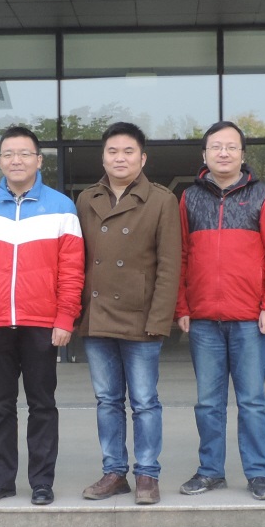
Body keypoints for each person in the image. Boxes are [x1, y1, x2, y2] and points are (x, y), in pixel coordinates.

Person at [0, 126, 84, 506]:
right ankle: (0, 481)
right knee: (0, 406)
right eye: (9, 154)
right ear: (0, 161)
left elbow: (72, 270)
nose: (16, 160)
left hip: (41, 323)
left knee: (42, 405)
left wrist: (65, 318)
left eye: (25, 153)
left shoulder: (62, 206)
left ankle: (41, 482)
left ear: (39, 160)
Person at [176, 121, 265, 501]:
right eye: (216, 147)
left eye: (231, 147)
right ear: (204, 155)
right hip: (204, 319)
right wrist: (182, 306)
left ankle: (257, 473)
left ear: (243, 154)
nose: (223, 153)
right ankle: (210, 471)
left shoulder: (263, 195)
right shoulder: (190, 198)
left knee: (252, 402)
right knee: (208, 403)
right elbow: (180, 255)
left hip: (250, 319)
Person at [75, 122, 182, 506]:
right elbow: (77, 260)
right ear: (103, 157)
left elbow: (169, 266)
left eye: (128, 152)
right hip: (98, 316)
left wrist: (159, 320)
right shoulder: (86, 199)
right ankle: (114, 472)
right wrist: (77, 313)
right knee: (107, 400)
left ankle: (147, 474)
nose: (120, 158)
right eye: (112, 151)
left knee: (144, 401)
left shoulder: (161, 200)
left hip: (141, 318)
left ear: (143, 158)